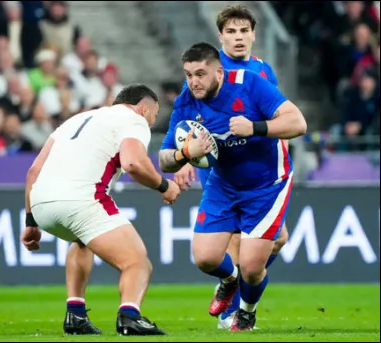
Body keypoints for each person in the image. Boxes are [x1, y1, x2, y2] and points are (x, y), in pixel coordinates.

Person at [159, 42, 307, 331]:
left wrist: (255, 127)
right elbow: (165, 160)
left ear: (219, 71)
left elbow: (298, 123)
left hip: (267, 185)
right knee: (205, 259)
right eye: (188, 74)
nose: (193, 82)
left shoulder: (250, 83)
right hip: (223, 186)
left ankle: (247, 313)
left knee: (253, 268)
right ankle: (229, 280)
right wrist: (184, 154)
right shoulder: (186, 101)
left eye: (200, 74)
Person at [20, 84, 181, 336]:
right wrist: (163, 185)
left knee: (82, 241)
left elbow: (33, 171)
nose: (151, 122)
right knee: (137, 262)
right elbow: (133, 163)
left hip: (41, 201)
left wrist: (31, 221)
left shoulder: (78, 119)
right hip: (81, 200)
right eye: (154, 115)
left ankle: (75, 315)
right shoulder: (134, 120)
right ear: (144, 108)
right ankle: (130, 317)